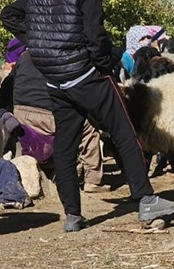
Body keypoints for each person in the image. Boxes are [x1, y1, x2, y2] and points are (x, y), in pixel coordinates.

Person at [1, 0, 174, 232]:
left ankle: (72, 215)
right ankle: (147, 201)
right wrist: (103, 63)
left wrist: (39, 40)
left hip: (56, 81)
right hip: (85, 76)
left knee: (65, 144)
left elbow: (8, 14)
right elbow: (95, 36)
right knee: (124, 132)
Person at [9, 47, 108, 193]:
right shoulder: (66, 55)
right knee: (88, 128)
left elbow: (7, 85)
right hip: (49, 113)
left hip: (21, 112)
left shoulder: (25, 56)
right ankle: (93, 181)